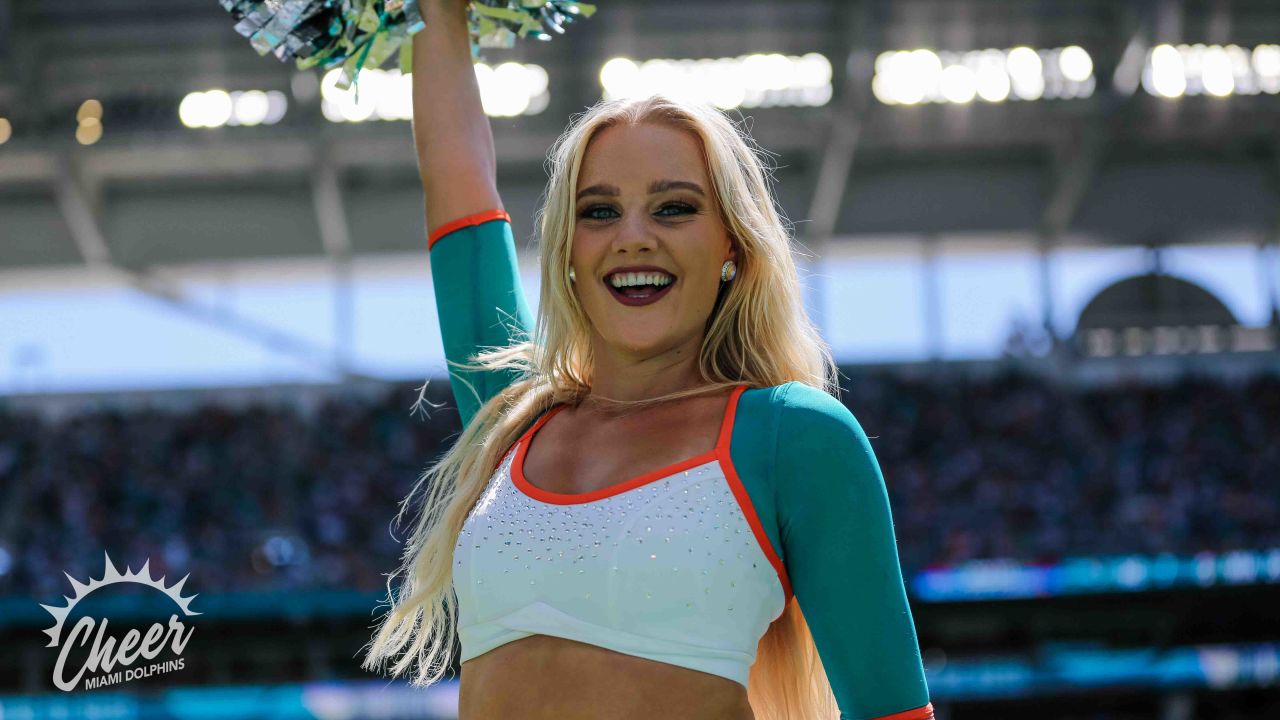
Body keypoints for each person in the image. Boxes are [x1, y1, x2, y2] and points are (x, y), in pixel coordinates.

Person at [361, 1, 935, 718]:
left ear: (733, 245)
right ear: (568, 251)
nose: (632, 237)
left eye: (673, 209)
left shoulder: (794, 437)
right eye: (599, 212)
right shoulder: (511, 422)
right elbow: (459, 196)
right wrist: (439, 15)